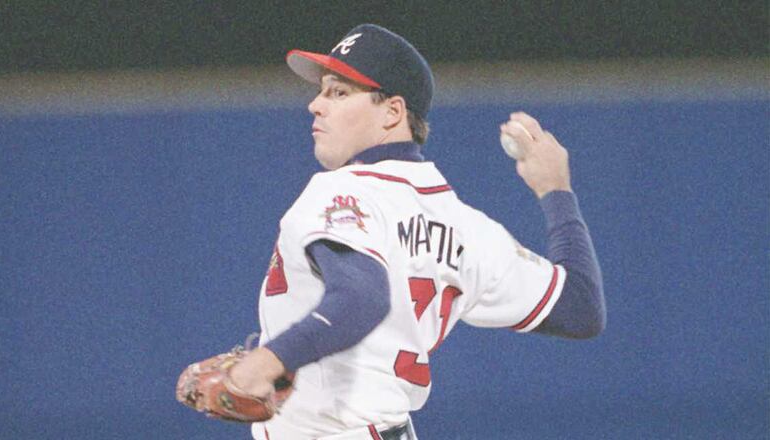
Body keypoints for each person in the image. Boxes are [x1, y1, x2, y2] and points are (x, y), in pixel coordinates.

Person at [211, 23, 604, 440]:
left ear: (393, 112)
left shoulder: (341, 192)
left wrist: (266, 362)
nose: (315, 105)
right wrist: (556, 191)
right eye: (322, 91)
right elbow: (580, 307)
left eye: (338, 93)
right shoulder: (468, 227)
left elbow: (361, 297)